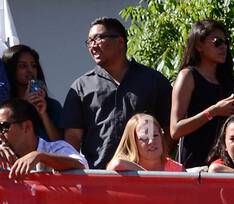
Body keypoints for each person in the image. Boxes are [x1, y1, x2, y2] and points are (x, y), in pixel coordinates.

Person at [62, 17, 172, 171]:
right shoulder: (81, 87)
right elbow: (72, 138)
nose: (92, 46)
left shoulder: (153, 81)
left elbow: (169, 130)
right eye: (89, 41)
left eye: (98, 38)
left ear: (120, 41)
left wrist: (159, 165)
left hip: (146, 178)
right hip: (98, 178)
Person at [170, 19, 234, 170]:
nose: (224, 46)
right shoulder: (188, 76)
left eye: (226, 42)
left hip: (226, 164)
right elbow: (175, 130)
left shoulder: (226, 79)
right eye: (217, 42)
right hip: (195, 165)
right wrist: (214, 111)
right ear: (199, 45)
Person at [0, 98, 87, 179]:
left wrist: (41, 157)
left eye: (3, 127)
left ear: (27, 126)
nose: (0, 134)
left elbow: (81, 165)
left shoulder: (55, 148)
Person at [2, 44, 63, 141]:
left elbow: (62, 146)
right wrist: (24, 107)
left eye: (33, 65)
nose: (30, 70)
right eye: (22, 66)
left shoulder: (52, 105)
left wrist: (43, 114)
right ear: (11, 69)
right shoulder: (3, 109)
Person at [106, 113, 183, 173]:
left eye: (155, 135)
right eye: (144, 138)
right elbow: (117, 164)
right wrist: (147, 177)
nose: (151, 141)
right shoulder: (124, 168)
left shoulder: (177, 170)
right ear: (133, 142)